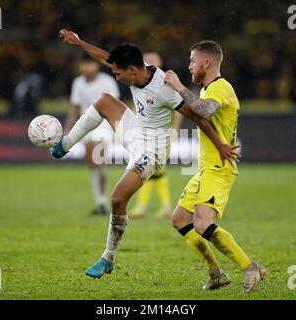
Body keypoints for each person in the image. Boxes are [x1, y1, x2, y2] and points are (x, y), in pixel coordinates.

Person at [52, 29, 236, 279]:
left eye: (118, 73)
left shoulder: (162, 88)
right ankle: (66, 143)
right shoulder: (136, 69)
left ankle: (108, 258)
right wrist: (79, 42)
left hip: (153, 149)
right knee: (105, 100)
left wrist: (220, 144)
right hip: (135, 132)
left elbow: (198, 117)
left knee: (117, 199)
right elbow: (104, 57)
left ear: (132, 70)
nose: (116, 77)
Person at [164, 40, 266, 292]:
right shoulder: (209, 89)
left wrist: (178, 86)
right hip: (207, 168)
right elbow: (203, 118)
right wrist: (219, 142)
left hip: (218, 169)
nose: (189, 66)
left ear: (206, 62)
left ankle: (249, 267)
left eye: (192, 61)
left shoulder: (220, 88)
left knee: (201, 224)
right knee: (179, 219)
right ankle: (216, 274)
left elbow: (206, 111)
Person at [129, 51, 183, 219]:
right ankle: (163, 206)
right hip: (146, 135)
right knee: (154, 171)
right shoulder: (142, 84)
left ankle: (143, 206)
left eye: (152, 61)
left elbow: (180, 108)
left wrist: (175, 129)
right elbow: (138, 107)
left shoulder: (166, 83)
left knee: (148, 169)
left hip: (162, 134)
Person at [65, 55, 120, 215]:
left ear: (96, 65)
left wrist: (118, 129)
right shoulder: (78, 83)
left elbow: (115, 106)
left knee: (97, 159)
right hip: (86, 126)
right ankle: (101, 203)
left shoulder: (107, 82)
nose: (85, 67)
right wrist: (69, 129)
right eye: (83, 64)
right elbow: (75, 108)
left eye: (89, 64)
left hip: (104, 125)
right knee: (93, 164)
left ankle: (102, 200)